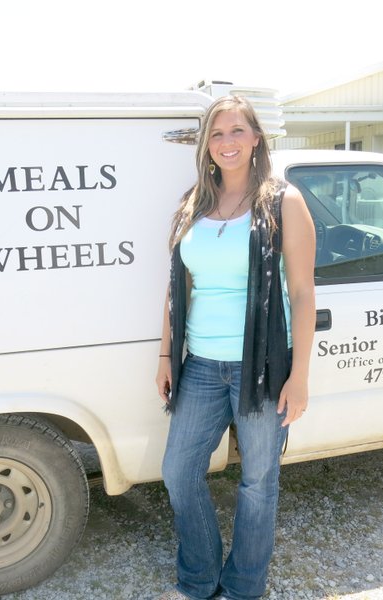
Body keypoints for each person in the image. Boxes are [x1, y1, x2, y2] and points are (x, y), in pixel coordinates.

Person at [155, 95, 316, 600]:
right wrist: (165, 355)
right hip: (200, 364)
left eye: (237, 131)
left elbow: (303, 292)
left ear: (256, 139)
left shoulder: (283, 202)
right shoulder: (192, 204)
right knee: (179, 474)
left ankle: (244, 587)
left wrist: (300, 376)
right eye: (217, 134)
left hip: (263, 368)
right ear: (207, 145)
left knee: (257, 483)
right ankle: (200, 580)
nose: (227, 142)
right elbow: (177, 287)